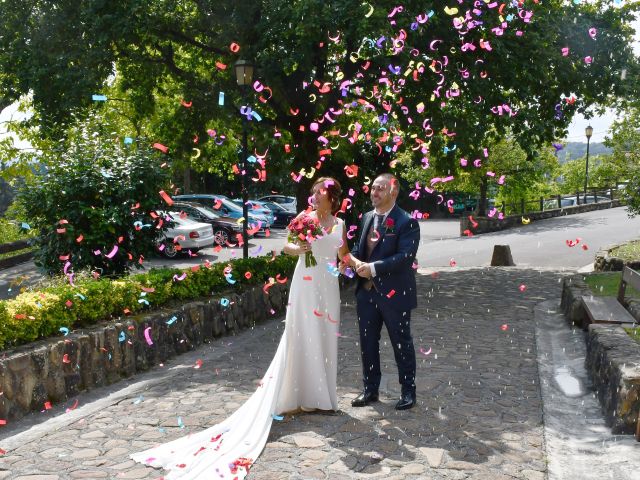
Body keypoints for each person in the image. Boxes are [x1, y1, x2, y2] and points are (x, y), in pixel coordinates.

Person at [131, 177, 349, 479]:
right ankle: (299, 396)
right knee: (301, 336)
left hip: (328, 286)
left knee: (324, 338)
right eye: (313, 192)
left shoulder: (339, 224)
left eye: (319, 193)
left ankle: (322, 397)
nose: (314, 197)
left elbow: (343, 256)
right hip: (306, 283)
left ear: (332, 199)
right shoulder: (304, 219)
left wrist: (362, 266)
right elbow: (287, 246)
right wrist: (301, 248)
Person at [342, 173, 420, 410]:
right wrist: (352, 262)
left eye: (380, 189)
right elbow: (357, 248)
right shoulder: (366, 218)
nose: (374, 193)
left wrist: (373, 268)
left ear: (393, 192)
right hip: (366, 294)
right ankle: (370, 390)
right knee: (367, 343)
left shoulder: (407, 222)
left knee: (401, 343)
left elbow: (404, 258)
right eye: (373, 188)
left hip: (395, 294)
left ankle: (408, 392)